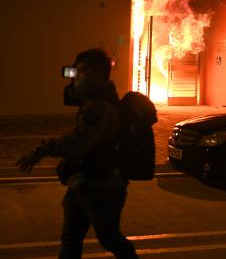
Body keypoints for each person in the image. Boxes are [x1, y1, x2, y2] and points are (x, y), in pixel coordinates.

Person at [17, 48, 139, 259]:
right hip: (83, 182)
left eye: (81, 72)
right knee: (71, 240)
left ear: (99, 75)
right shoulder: (93, 103)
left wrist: (41, 151)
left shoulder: (100, 108)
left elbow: (78, 143)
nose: (76, 77)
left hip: (103, 188)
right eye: (75, 72)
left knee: (109, 238)